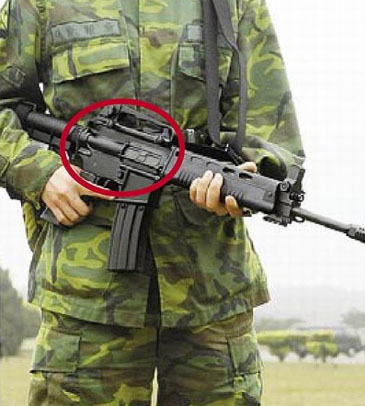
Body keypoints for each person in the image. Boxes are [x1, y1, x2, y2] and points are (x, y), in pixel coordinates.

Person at [0, 0, 304, 404]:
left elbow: (271, 132)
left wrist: (247, 179)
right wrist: (40, 173)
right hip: (86, 296)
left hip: (211, 289)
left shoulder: (234, 4)